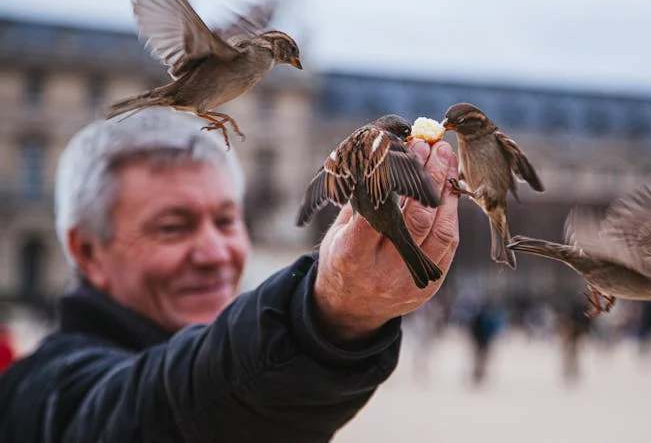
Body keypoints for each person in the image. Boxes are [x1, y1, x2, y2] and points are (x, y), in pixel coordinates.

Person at [0, 108, 460, 442]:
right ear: (88, 250)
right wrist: (329, 311)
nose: (215, 252)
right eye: (172, 227)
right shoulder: (41, 394)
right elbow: (159, 409)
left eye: (225, 220)